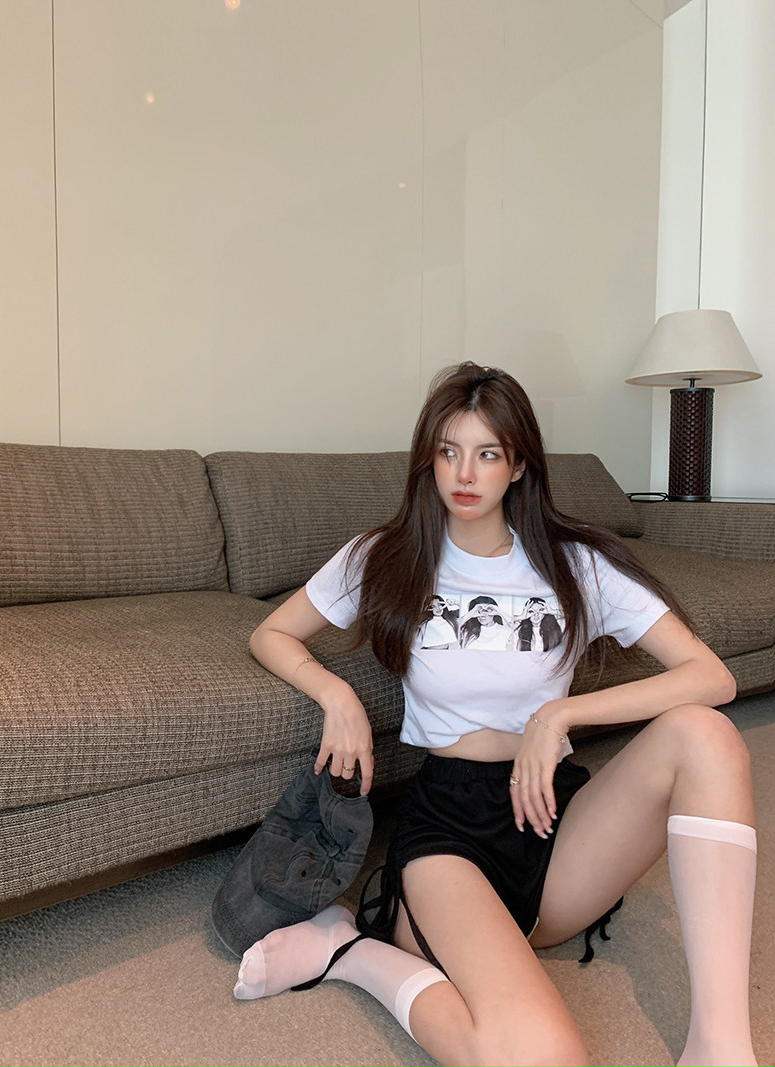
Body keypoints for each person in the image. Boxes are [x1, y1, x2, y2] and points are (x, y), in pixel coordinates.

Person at [237, 362, 758, 1067]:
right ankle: (352, 952)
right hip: (448, 828)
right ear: (429, 460)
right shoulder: (387, 555)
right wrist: (336, 694)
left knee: (707, 735)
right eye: (448, 451)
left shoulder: (574, 563)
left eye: (487, 453)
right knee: (543, 1056)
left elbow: (711, 677)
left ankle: (718, 1047)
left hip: (551, 817)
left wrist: (557, 716)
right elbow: (271, 633)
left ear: (518, 465)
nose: (464, 473)